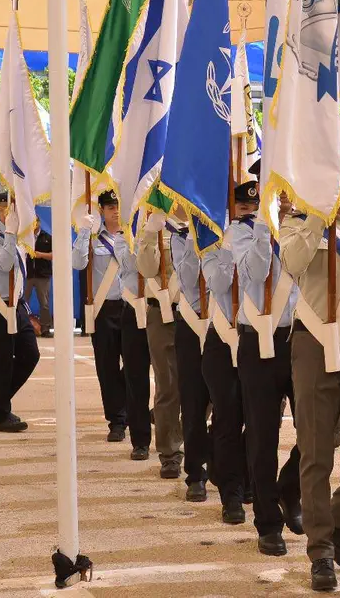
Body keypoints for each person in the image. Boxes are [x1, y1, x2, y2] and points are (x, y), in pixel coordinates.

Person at [280, 141, 340, 591]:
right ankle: (320, 552)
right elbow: (292, 263)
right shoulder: (297, 220)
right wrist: (320, 214)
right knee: (316, 453)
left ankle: (337, 519)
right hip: (314, 342)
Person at [222, 168, 304, 557]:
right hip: (257, 342)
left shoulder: (302, 227)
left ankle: (290, 487)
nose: (282, 197)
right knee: (262, 436)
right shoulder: (240, 231)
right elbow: (255, 272)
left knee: (320, 431)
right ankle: (268, 523)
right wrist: (264, 225)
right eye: (277, 189)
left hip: (299, 340)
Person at [73, 189, 150, 458]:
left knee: (135, 366)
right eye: (109, 207)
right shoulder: (94, 238)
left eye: (117, 206)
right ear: (101, 211)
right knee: (106, 366)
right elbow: (77, 263)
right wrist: (84, 231)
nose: (115, 211)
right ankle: (117, 420)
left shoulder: (133, 235)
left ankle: (130, 410)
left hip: (131, 306)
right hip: (104, 308)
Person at [202, 215, 253, 527]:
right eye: (240, 206)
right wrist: (228, 248)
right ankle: (231, 494)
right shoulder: (211, 245)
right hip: (221, 340)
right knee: (227, 418)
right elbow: (220, 284)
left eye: (252, 206)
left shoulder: (266, 239)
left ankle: (245, 475)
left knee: (258, 420)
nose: (245, 212)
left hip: (256, 337)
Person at [0, 192, 40, 432]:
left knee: (30, 354)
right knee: (2, 360)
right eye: (7, 208)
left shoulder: (19, 235)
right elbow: (4, 263)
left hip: (17, 304)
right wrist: (11, 234)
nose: (11, 212)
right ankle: (1, 416)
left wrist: (18, 232)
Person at [135, 206, 186, 481]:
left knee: (207, 388)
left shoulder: (207, 216)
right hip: (163, 314)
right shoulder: (153, 225)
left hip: (200, 314)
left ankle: (190, 437)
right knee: (168, 387)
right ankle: (170, 453)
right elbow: (146, 268)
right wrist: (151, 232)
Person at [25, 225, 54, 336]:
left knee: (44, 303)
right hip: (28, 275)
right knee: (23, 302)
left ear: (39, 223)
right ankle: (22, 326)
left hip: (43, 275)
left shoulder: (47, 237)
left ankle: (45, 328)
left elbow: (54, 255)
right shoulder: (25, 237)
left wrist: (40, 255)